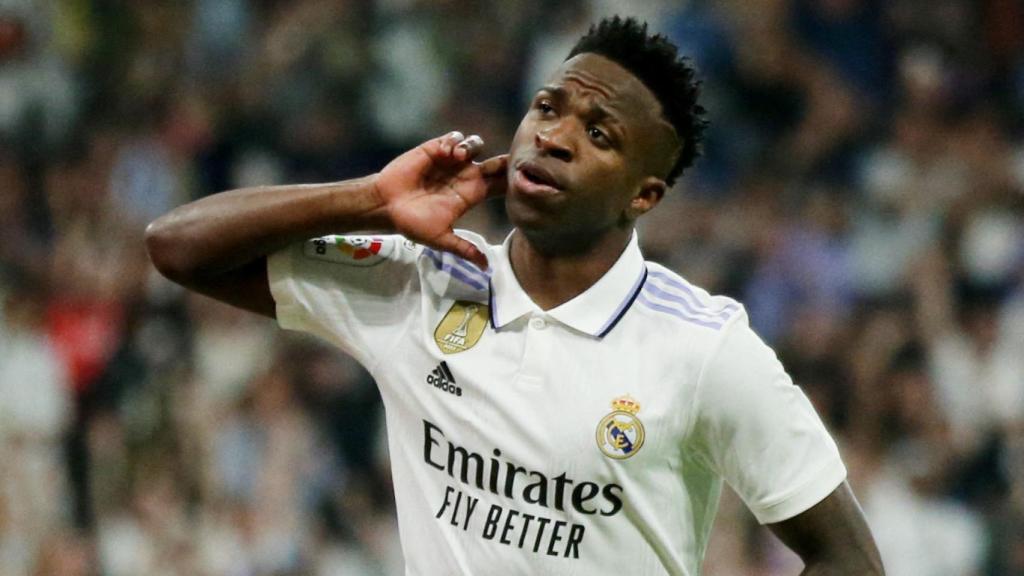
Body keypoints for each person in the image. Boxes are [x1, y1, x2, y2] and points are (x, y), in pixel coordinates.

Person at [147, 16, 884, 576]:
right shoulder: (420, 284)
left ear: (644, 194)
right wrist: (371, 199)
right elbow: (179, 247)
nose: (555, 136)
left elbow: (849, 560)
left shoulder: (704, 349)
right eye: (547, 106)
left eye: (599, 133)